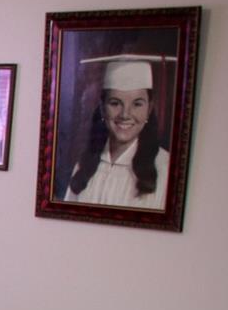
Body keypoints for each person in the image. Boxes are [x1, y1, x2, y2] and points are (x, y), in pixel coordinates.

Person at [63, 55, 171, 210]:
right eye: (115, 103)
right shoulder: (85, 164)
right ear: (102, 107)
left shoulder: (165, 168)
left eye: (137, 104)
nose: (125, 114)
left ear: (149, 109)